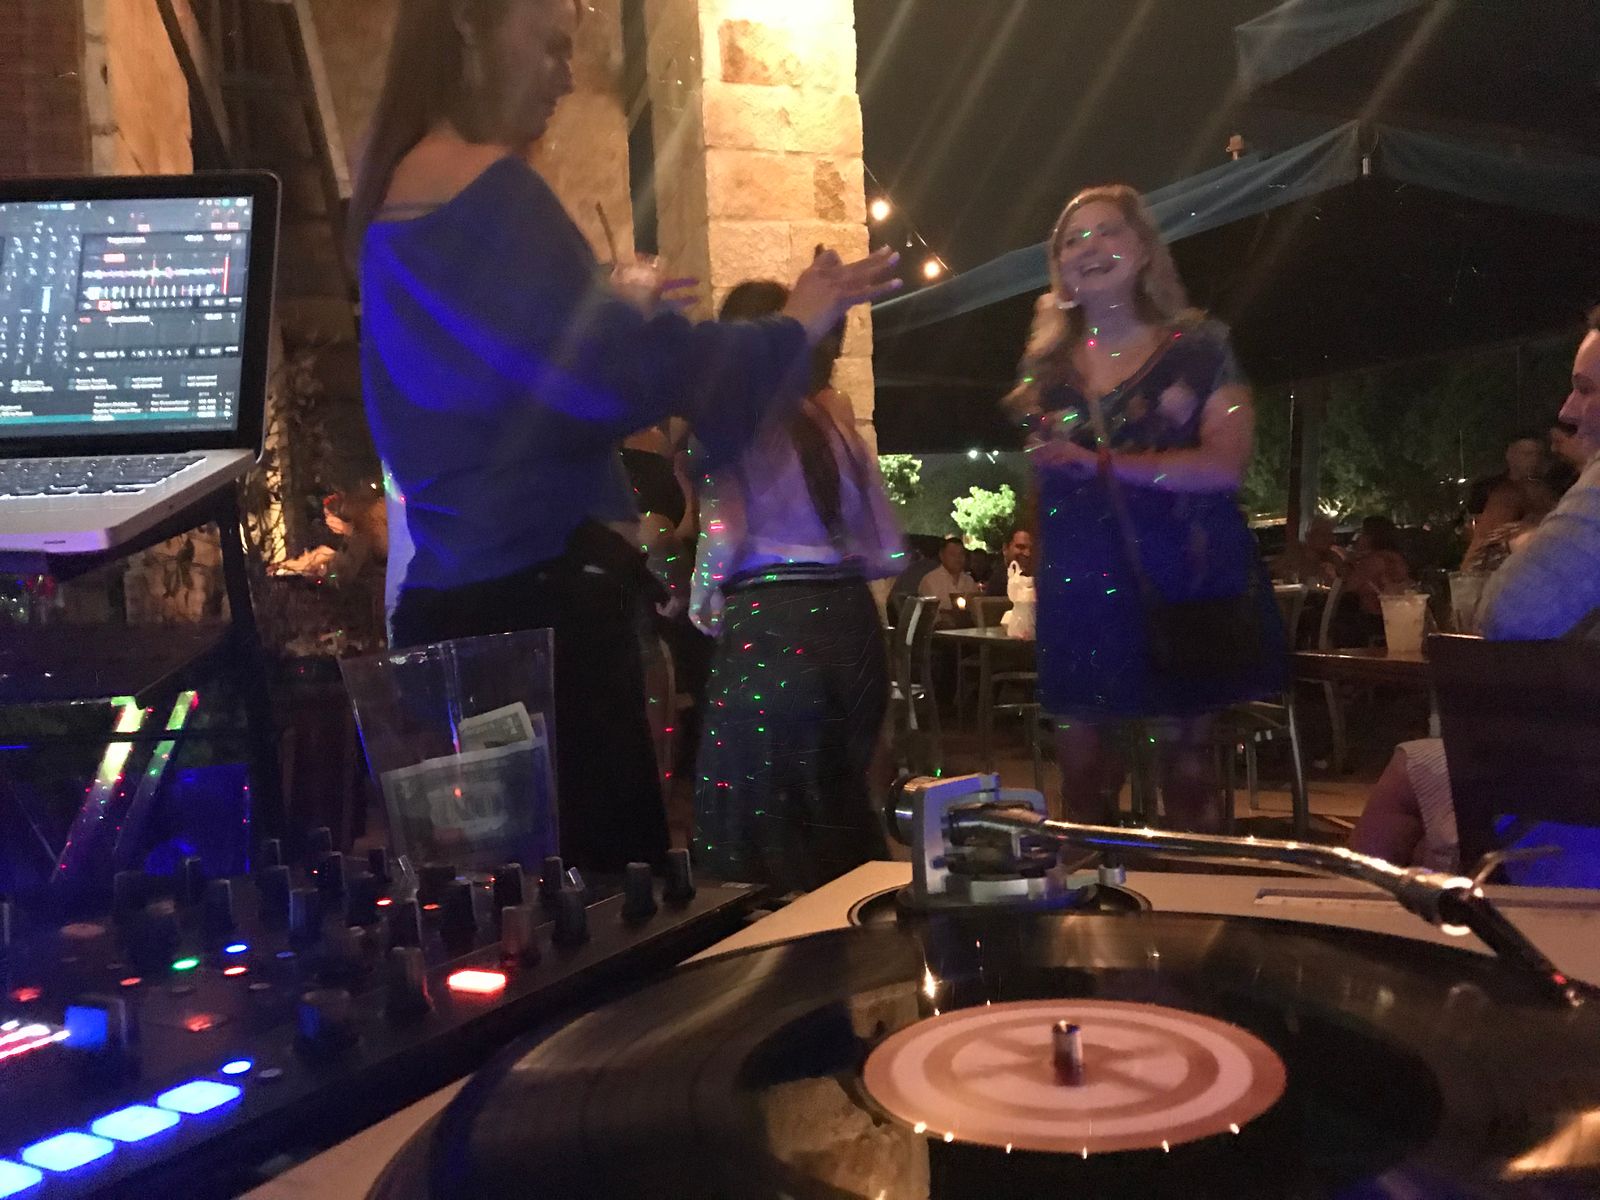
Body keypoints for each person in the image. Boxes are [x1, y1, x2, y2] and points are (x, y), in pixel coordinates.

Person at [349, 0, 899, 871]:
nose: (567, 76)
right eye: (551, 47)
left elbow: (502, 391)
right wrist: (795, 324)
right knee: (603, 904)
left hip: (454, 604)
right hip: (543, 611)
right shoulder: (493, 189)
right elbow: (629, 378)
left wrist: (601, 312)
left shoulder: (393, 204)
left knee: (500, 906)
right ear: (469, 25)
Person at [1006, 184, 1285, 833]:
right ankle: (1095, 901)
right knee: (1082, 783)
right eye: (1072, 240)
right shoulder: (1050, 371)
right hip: (1082, 600)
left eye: (1108, 231)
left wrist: (1101, 464)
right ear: (1058, 266)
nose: (1090, 247)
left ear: (1143, 249)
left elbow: (1225, 464)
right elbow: (1037, 462)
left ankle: (1191, 898)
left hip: (1181, 589)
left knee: (1187, 780)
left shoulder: (1200, 348)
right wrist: (1040, 350)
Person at [1353, 311, 1600, 872]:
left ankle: (1363, 923)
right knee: (1431, 803)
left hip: (1582, 799)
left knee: (1414, 773)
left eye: (1586, 389)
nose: (1566, 410)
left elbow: (1512, 613)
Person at [688, 280, 905, 892]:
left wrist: (703, 591)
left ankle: (773, 938)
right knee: (837, 800)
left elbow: (725, 524)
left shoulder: (731, 416)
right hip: (850, 620)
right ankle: (848, 924)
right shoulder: (833, 419)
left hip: (773, 619)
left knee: (757, 810)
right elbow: (885, 541)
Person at [1463, 435, 1558, 570]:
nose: (1534, 460)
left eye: (1538, 454)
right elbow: (1478, 531)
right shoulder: (1499, 491)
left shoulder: (1547, 489)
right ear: (1510, 455)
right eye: (1527, 454)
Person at [918, 536, 977, 622]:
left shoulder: (969, 581)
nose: (958, 558)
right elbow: (931, 617)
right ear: (942, 556)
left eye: (961, 554)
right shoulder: (930, 580)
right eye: (953, 554)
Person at [986, 527, 1034, 596]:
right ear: (1005, 548)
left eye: (1032, 549)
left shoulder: (1040, 581)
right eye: (1021, 547)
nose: (1027, 553)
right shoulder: (997, 583)